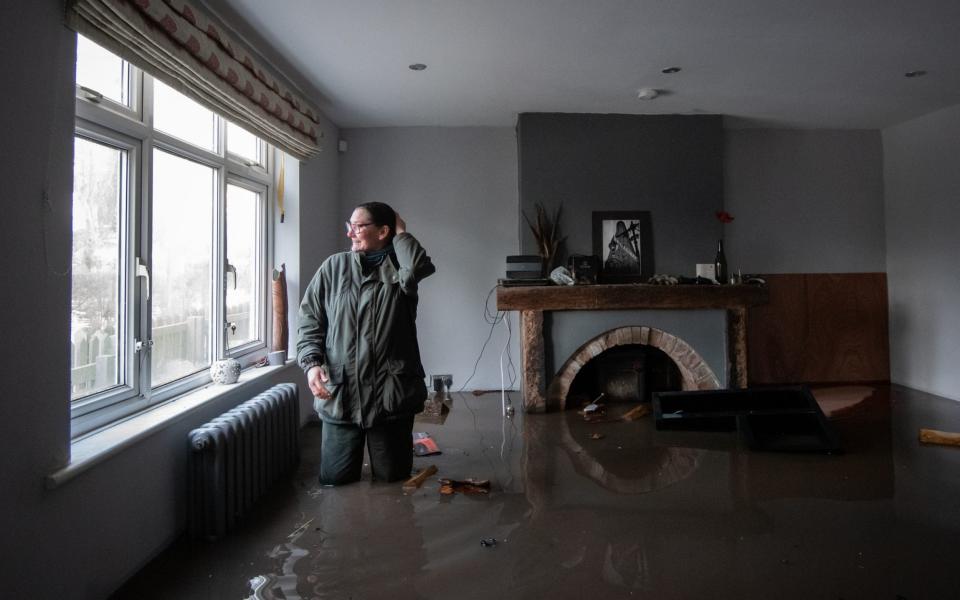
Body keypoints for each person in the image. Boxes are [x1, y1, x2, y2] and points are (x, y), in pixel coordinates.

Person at [297, 202, 436, 485]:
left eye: (359, 226)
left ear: (383, 231)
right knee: (335, 481)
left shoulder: (401, 269)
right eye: (350, 226)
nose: (351, 233)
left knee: (393, 481)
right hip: (341, 395)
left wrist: (401, 232)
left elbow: (420, 265)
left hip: (390, 398)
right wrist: (311, 364)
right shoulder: (333, 268)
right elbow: (310, 320)